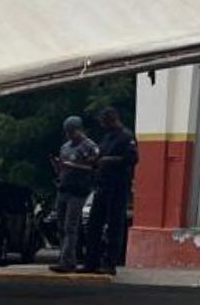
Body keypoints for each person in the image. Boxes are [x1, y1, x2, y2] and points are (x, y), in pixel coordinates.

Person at [83, 106, 138, 275]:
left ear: (112, 120)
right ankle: (91, 262)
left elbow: (132, 158)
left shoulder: (126, 137)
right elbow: (99, 156)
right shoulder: (107, 138)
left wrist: (109, 160)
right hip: (102, 185)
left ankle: (110, 263)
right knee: (94, 225)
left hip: (118, 186)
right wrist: (92, 160)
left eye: (104, 122)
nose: (102, 126)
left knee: (114, 225)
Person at [48, 116, 98, 273]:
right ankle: (66, 256)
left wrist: (73, 165)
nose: (70, 135)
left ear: (79, 129)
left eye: (72, 132)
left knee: (71, 226)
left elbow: (94, 167)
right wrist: (58, 166)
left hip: (78, 191)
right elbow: (62, 169)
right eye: (68, 133)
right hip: (63, 188)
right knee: (61, 226)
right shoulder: (65, 147)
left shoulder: (89, 146)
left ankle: (67, 260)